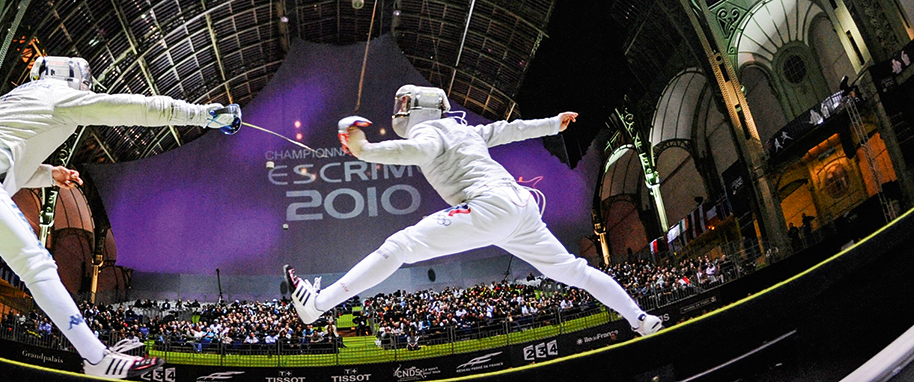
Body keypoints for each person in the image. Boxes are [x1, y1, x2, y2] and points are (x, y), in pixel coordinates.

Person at [0, 54, 242, 378]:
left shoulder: (21, 98)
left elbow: (10, 158)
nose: (85, 88)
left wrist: (50, 174)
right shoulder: (57, 95)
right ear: (69, 77)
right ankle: (96, 358)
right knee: (37, 262)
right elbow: (139, 109)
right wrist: (205, 115)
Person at [284, 84, 662, 340]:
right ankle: (639, 319)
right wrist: (552, 124)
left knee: (398, 246)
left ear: (420, 108)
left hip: (490, 208)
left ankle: (318, 305)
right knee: (572, 271)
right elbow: (509, 130)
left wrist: (365, 150)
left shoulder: (430, 132)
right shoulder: (464, 131)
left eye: (403, 106)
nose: (399, 112)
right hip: (520, 210)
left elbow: (410, 153)